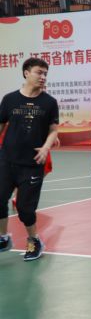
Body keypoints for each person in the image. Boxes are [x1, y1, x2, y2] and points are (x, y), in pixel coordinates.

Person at [0, 58, 59, 261]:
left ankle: (34, 240)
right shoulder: (9, 99)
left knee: (25, 209)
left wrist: (46, 147)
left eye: (45, 74)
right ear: (26, 73)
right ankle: (3, 237)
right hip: (7, 160)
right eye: (39, 72)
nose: (43, 77)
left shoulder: (49, 102)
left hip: (32, 164)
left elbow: (53, 130)